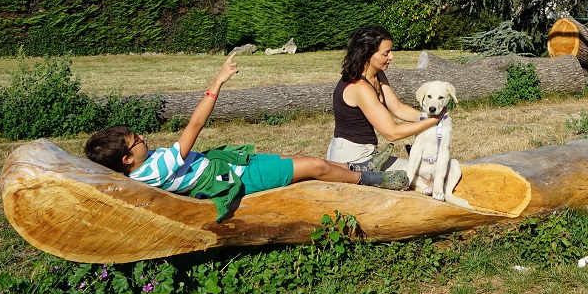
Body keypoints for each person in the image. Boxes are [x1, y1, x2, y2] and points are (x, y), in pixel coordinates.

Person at [84, 53, 399, 221]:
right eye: (135, 140)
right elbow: (194, 126)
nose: (141, 138)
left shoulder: (140, 169)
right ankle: (369, 179)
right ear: (127, 159)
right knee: (313, 166)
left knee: (303, 161)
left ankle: (354, 171)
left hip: (228, 164)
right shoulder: (156, 168)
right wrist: (216, 84)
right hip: (237, 176)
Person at [327, 25, 439, 180]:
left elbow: (397, 107)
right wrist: (433, 121)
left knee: (427, 173)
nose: (391, 56)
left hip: (367, 155)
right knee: (423, 177)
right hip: (351, 160)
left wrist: (428, 115)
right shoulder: (359, 87)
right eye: (386, 53)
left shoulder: (377, 75)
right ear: (367, 55)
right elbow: (391, 133)